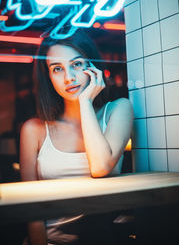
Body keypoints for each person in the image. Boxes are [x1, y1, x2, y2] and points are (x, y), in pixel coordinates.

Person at [20, 30, 133, 245]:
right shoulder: (34, 130)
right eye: (57, 69)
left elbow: (100, 167)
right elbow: (30, 207)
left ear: (92, 66)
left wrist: (85, 103)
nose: (69, 77)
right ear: (49, 77)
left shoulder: (119, 110)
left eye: (77, 64)